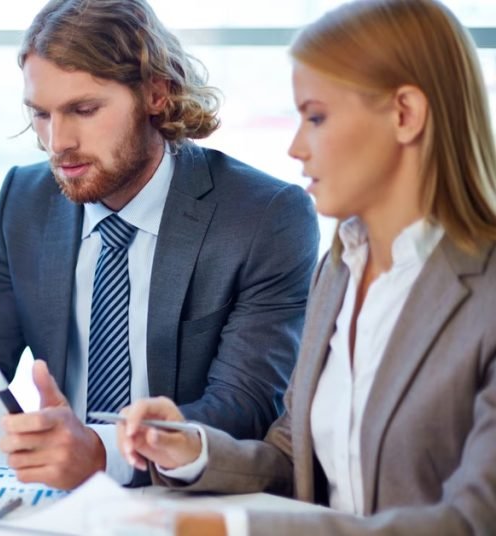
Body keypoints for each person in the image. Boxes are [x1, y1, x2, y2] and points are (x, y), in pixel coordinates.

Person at [0, 0, 319, 490]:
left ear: (157, 92)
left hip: (189, 498)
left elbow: (245, 404)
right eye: (42, 115)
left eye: (84, 110)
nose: (57, 142)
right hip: (58, 499)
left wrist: (101, 451)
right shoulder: (23, 200)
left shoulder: (263, 216)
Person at [117, 0, 496, 533]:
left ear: (405, 114)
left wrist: (240, 530)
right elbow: (294, 458)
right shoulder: (340, 270)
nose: (296, 147)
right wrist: (192, 450)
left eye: (316, 117)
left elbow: (472, 521)